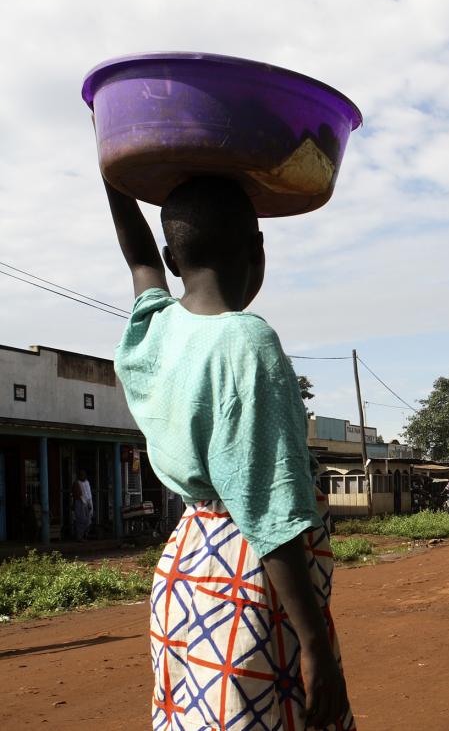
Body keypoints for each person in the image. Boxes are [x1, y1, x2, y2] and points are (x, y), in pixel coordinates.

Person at [106, 177, 354, 730]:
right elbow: (269, 506)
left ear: (173, 260)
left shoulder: (156, 328)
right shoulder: (246, 342)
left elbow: (138, 260)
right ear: (258, 249)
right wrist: (314, 645)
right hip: (248, 577)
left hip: (187, 573)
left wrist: (115, 171)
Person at [72, 469, 93, 541]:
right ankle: (79, 537)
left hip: (87, 503)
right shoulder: (76, 483)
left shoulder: (87, 482)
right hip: (80, 503)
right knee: (81, 520)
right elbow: (78, 495)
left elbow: (89, 494)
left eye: (84, 474)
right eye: (81, 474)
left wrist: (89, 503)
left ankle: (85, 535)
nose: (83, 476)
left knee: (88, 520)